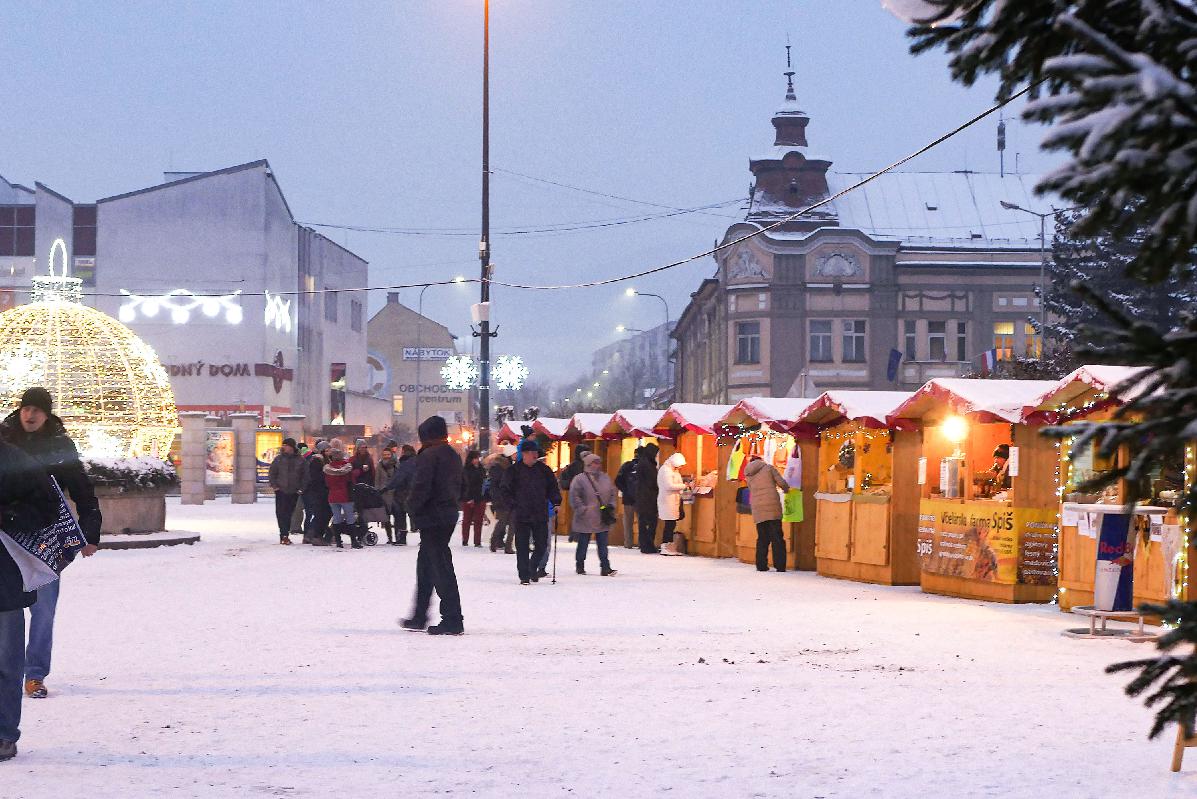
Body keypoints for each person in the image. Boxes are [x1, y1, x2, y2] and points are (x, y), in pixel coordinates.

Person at [0, 387, 102, 702]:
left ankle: (35, 674)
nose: (30, 415)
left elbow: (82, 490)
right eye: (26, 409)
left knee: (44, 608)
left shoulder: (60, 446)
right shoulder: (5, 441)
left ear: (47, 414)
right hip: (7, 536)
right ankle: (8, 673)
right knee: (8, 609)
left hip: (47, 535)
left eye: (37, 410)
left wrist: (90, 532)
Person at [0, 438, 60, 762]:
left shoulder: (14, 460)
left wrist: (6, 515)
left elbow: (47, 509)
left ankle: (4, 734)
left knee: (7, 664)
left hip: (4, 579)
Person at [400, 416, 465, 635]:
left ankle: (453, 618)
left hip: (432, 517)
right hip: (447, 515)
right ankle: (420, 615)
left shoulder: (429, 455)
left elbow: (421, 487)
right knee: (427, 567)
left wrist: (412, 507)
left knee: (439, 568)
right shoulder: (453, 455)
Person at [500, 438, 561, 585]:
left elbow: (552, 487)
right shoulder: (513, 471)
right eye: (532, 453)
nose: (535, 455)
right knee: (522, 546)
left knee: (541, 545)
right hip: (521, 514)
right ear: (524, 454)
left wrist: (556, 502)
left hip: (540, 512)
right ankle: (524, 575)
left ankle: (532, 567)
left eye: (535, 452)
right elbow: (505, 490)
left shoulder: (544, 470)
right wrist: (512, 505)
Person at [569, 452, 617, 576]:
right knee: (583, 543)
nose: (598, 465)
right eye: (595, 463)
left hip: (602, 515)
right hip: (586, 517)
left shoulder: (605, 477)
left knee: (603, 544)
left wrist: (611, 505)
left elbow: (612, 493)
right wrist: (582, 509)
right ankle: (580, 565)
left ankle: (605, 566)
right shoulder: (579, 479)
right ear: (588, 464)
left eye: (598, 462)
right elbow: (574, 495)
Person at [744, 455, 789, 572]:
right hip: (772, 506)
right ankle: (780, 565)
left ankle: (761, 565)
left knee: (762, 537)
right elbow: (782, 483)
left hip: (758, 507)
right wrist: (787, 489)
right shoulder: (769, 468)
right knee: (777, 537)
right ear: (761, 460)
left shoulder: (748, 473)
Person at [267, 438, 305, 546]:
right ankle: (283, 535)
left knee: (289, 513)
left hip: (294, 491)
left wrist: (301, 488)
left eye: (286, 445)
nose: (284, 447)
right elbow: (272, 473)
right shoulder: (279, 459)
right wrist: (275, 486)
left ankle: (285, 534)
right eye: (283, 445)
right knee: (281, 513)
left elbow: (305, 476)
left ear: (292, 447)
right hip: (281, 490)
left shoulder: (300, 460)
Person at [323, 443, 360, 549]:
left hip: (333, 496)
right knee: (350, 518)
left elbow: (327, 484)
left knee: (336, 518)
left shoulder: (328, 469)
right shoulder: (347, 467)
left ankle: (339, 541)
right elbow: (352, 480)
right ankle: (354, 541)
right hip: (346, 496)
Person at [656, 452, 687, 557]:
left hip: (673, 501)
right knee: (669, 524)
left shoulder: (673, 470)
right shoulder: (665, 470)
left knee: (671, 523)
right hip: (667, 501)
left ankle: (669, 546)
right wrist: (683, 486)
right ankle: (666, 546)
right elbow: (669, 486)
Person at [302, 441, 331, 545]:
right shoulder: (317, 461)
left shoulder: (325, 460)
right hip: (319, 492)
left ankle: (312, 535)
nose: (329, 452)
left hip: (324, 491)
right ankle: (315, 535)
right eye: (327, 450)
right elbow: (315, 477)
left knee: (323, 514)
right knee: (321, 514)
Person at [485, 448, 514, 553]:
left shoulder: (506, 466)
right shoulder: (500, 468)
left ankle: (504, 545)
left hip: (508, 499)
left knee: (510, 522)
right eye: (514, 453)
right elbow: (500, 486)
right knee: (504, 522)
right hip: (503, 500)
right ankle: (497, 543)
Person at [634, 443, 660, 554]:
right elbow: (651, 482)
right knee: (650, 522)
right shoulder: (648, 465)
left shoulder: (643, 463)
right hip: (648, 498)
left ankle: (645, 544)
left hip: (642, 498)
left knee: (643, 523)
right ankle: (647, 545)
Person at [614, 448, 640, 549]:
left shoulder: (626, 466)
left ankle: (628, 543)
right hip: (640, 499)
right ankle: (641, 542)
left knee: (628, 522)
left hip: (628, 499)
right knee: (641, 522)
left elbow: (617, 481)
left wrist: (625, 490)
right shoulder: (644, 466)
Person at [376, 445, 402, 545]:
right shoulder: (379, 465)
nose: (386, 456)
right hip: (384, 494)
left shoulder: (396, 464)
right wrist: (377, 490)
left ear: (391, 455)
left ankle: (397, 536)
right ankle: (390, 537)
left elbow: (400, 478)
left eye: (388, 454)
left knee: (397, 515)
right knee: (386, 517)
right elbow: (377, 479)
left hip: (395, 493)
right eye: (384, 454)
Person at [460, 450, 487, 547]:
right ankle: (465, 539)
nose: (476, 460)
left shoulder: (481, 469)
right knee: (467, 520)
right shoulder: (466, 470)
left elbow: (483, 483)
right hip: (469, 498)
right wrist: (468, 497)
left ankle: (477, 541)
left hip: (480, 498)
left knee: (478, 521)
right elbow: (466, 485)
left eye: (477, 458)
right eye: (475, 458)